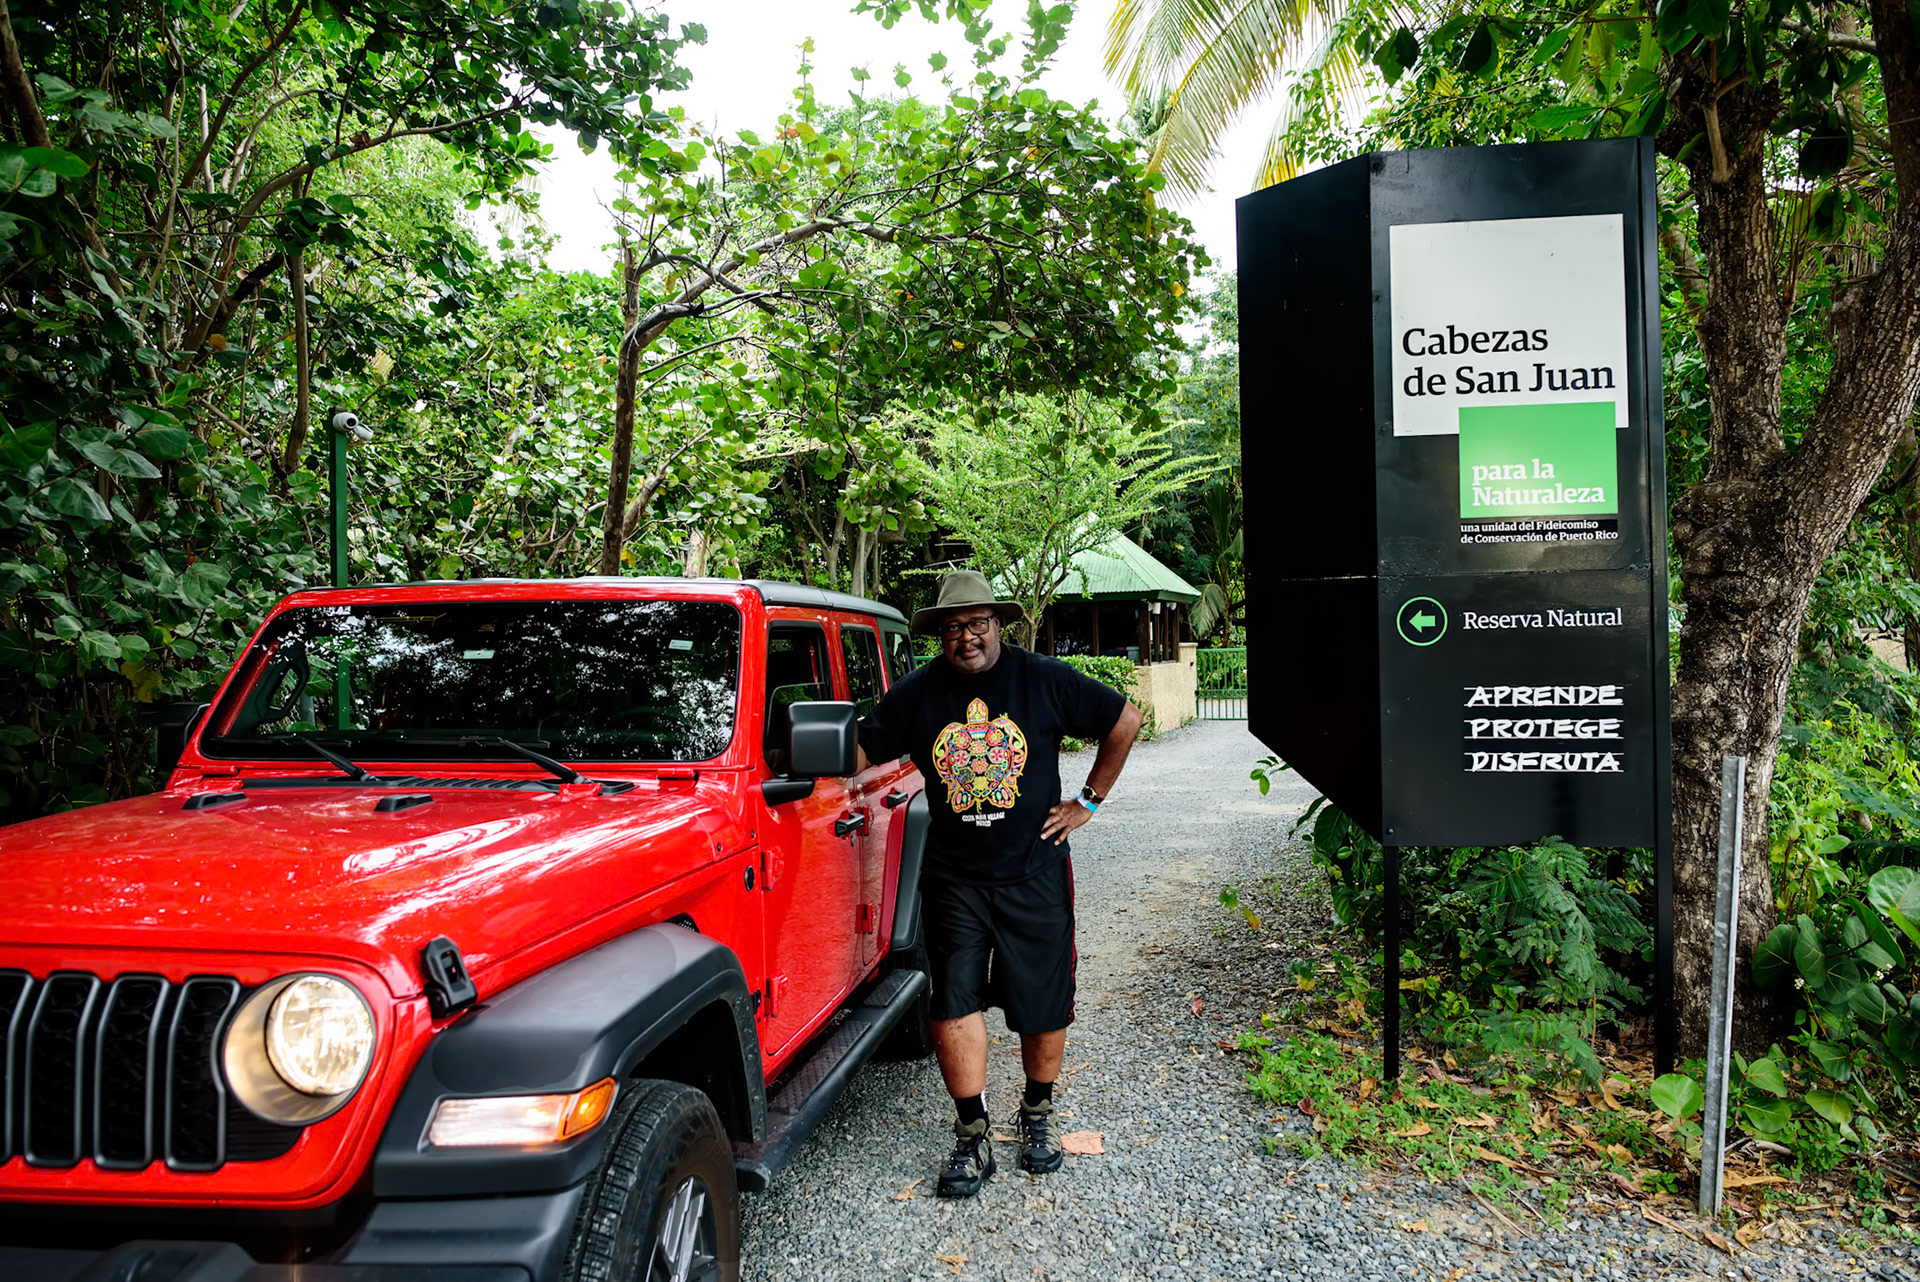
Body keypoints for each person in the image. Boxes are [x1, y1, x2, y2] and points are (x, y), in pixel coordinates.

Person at [856, 569, 1143, 1197]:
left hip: (1032, 871)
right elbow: (859, 751)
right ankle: (971, 1133)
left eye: (978, 624)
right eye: (954, 627)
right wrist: (797, 759)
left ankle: (1037, 1114)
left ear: (997, 624)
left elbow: (1125, 719)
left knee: (1042, 1000)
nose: (967, 637)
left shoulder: (1041, 678)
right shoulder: (917, 694)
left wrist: (1086, 803)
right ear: (941, 635)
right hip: (953, 879)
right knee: (953, 1002)